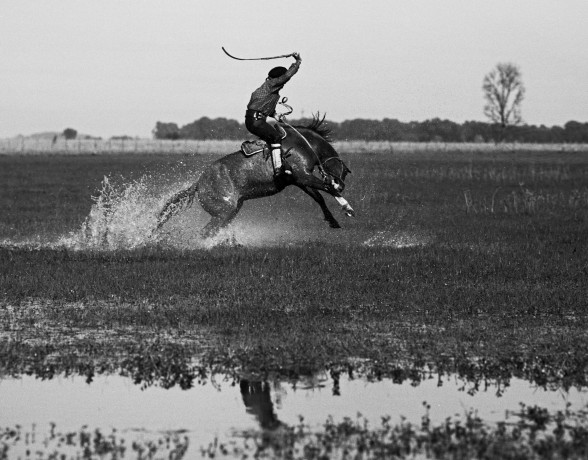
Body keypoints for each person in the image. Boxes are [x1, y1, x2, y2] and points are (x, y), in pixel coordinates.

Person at [245, 52, 301, 178]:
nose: (283, 84)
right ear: (277, 79)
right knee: (276, 137)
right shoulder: (270, 85)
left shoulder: (267, 90)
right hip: (257, 121)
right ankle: (278, 169)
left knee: (273, 137)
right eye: (280, 81)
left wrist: (276, 115)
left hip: (254, 119)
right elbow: (287, 76)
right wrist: (297, 62)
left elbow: (263, 108)